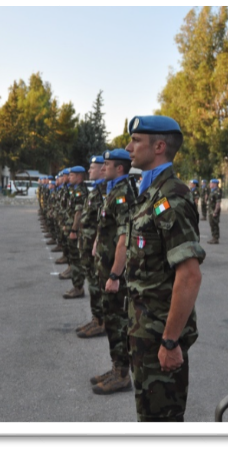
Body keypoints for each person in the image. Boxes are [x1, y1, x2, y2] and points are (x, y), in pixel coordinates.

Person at [124, 115, 205, 422]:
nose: (128, 147)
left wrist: (170, 341)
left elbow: (189, 275)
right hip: (144, 331)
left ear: (159, 147)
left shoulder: (171, 196)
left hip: (160, 335)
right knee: (149, 415)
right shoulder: (152, 192)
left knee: (161, 419)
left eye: (136, 141)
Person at [90, 149, 136, 395]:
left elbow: (124, 239)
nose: (102, 168)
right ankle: (116, 367)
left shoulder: (122, 195)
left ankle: (122, 374)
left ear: (119, 168)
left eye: (107, 165)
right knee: (111, 320)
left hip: (114, 273)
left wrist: (116, 275)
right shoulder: (113, 191)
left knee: (118, 323)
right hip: (106, 267)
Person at [76, 156, 108, 337]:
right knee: (92, 284)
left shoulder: (105, 192)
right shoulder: (96, 190)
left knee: (97, 285)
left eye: (92, 167)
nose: (89, 170)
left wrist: (96, 244)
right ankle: (96, 318)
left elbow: (104, 223)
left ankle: (101, 321)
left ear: (102, 169)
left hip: (96, 248)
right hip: (88, 245)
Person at [62, 165, 90, 299]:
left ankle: (78, 287)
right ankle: (76, 286)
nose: (69, 177)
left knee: (76, 259)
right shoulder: (76, 190)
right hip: (72, 228)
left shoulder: (80, 191)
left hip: (76, 231)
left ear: (79, 177)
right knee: (74, 258)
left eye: (72, 175)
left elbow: (78, 213)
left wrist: (73, 230)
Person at [207, 178, 222, 244]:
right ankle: (213, 237)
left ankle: (216, 238)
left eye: (211, 183)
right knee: (212, 224)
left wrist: (215, 211)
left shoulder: (217, 192)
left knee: (215, 224)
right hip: (211, 211)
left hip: (214, 211)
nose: (210, 184)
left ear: (215, 184)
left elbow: (218, 203)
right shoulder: (212, 191)